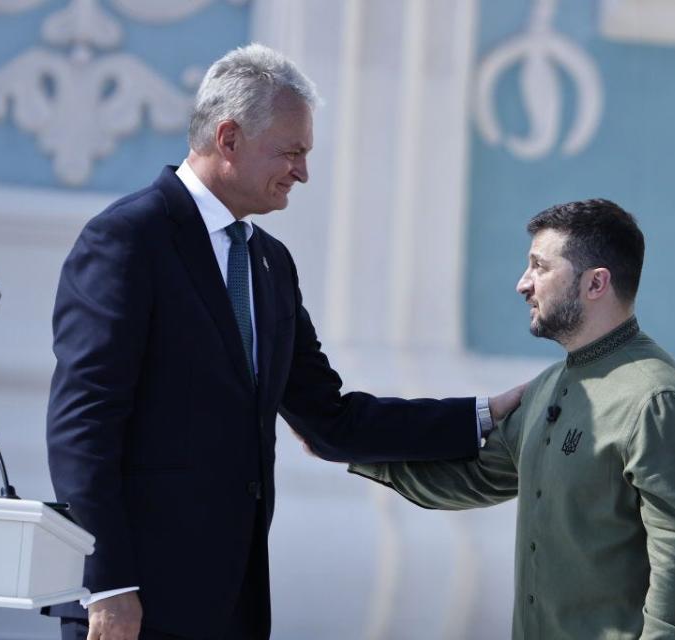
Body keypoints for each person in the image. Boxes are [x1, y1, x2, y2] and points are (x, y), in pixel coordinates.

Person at [45, 44, 522, 640]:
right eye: (292, 152)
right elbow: (82, 425)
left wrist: (480, 414)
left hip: (233, 606)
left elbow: (331, 421)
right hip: (133, 608)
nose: (303, 172)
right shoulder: (128, 239)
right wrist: (109, 587)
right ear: (229, 138)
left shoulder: (270, 263)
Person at [350, 199, 675, 639]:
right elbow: (468, 479)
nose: (522, 284)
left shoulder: (658, 401)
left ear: (596, 283)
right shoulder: (545, 389)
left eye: (539, 267)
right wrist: (343, 438)